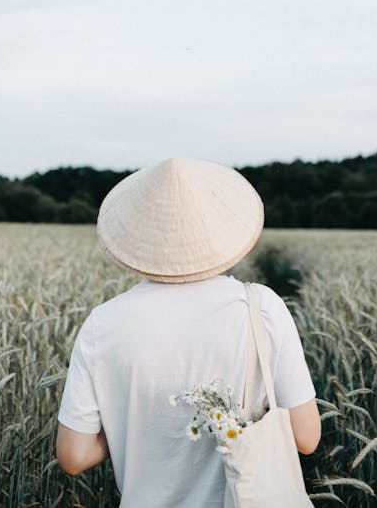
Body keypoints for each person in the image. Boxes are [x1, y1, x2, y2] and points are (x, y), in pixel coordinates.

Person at [56, 157, 321, 506]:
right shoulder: (262, 307)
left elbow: (73, 456)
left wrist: (131, 427)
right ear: (221, 232)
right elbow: (306, 438)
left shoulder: (103, 323)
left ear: (139, 238)